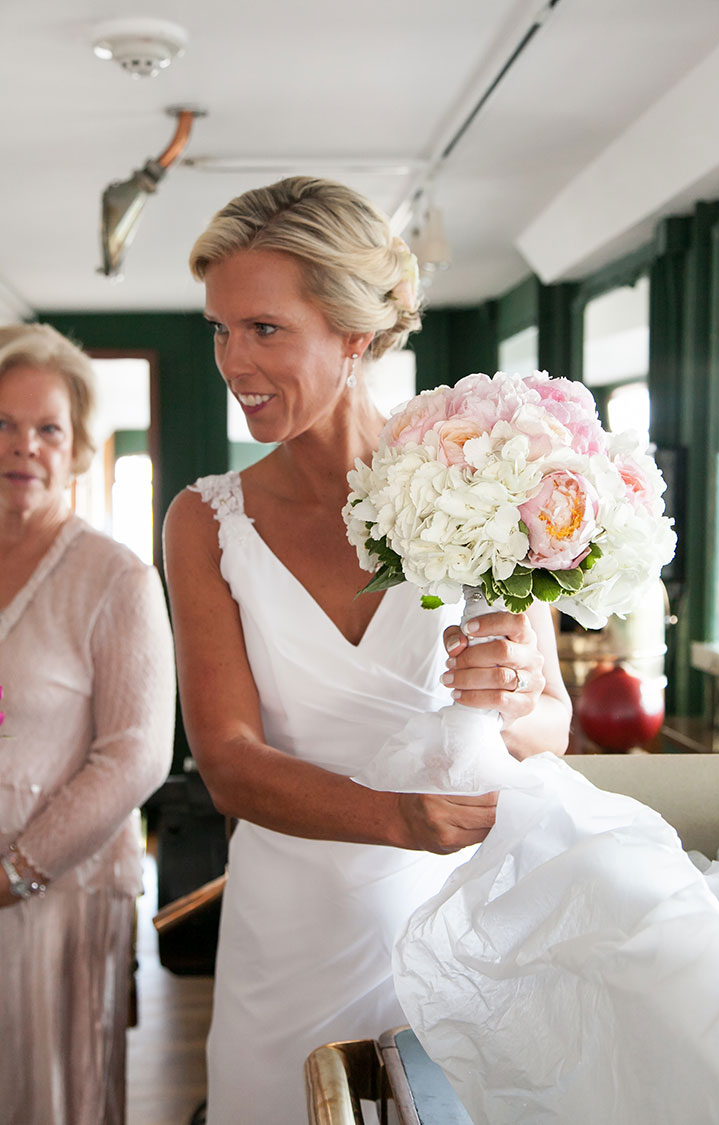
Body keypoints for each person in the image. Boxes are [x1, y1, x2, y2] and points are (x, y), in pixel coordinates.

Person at [163, 175, 572, 1123]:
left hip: (468, 922)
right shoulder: (204, 521)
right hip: (289, 936)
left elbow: (551, 726)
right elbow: (228, 763)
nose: (233, 360)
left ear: (354, 333)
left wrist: (513, 694)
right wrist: (399, 819)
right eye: (220, 329)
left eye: (265, 329)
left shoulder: (483, 479)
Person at [0, 324, 176, 1125]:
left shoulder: (117, 577)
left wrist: (17, 870)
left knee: (51, 1100)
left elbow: (136, 756)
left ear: (74, 449)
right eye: (2, 424)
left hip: (56, 892)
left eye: (46, 428)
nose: (22, 446)